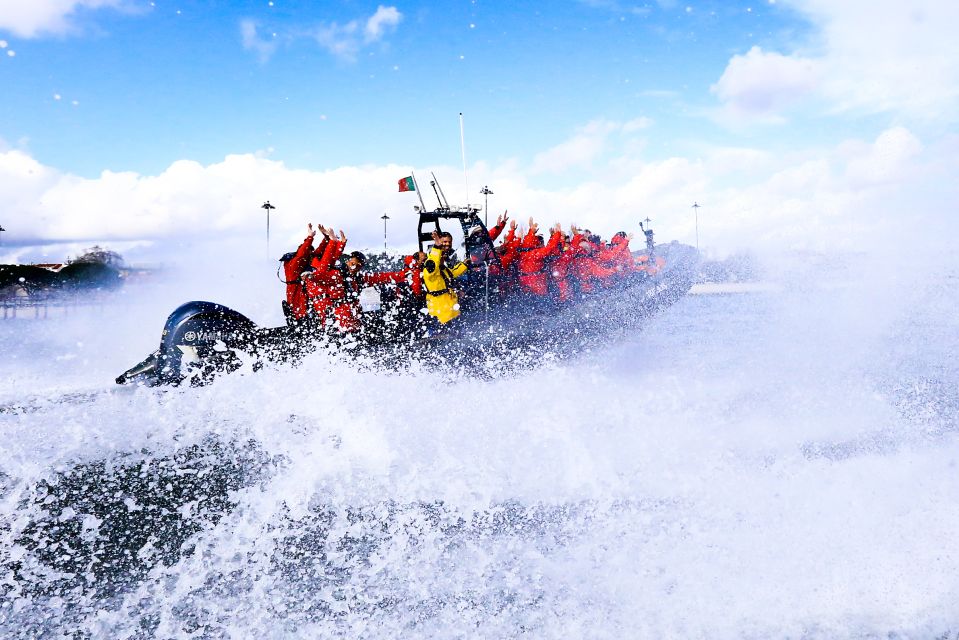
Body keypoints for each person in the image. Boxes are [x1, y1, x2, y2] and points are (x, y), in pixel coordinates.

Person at [422, 230, 468, 324]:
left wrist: (464, 265)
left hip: (450, 310)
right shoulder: (431, 264)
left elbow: (452, 273)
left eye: (449, 242)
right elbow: (432, 269)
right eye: (444, 242)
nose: (447, 245)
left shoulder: (442, 268)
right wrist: (437, 247)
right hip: (440, 313)